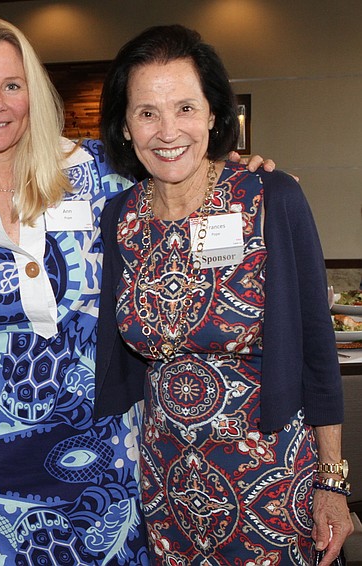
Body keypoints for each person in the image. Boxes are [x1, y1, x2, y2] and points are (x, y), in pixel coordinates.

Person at [0, 17, 274, 565]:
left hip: (111, 451)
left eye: (12, 85)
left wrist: (238, 174)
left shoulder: (98, 171)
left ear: (33, 92)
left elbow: (180, 174)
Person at [97, 25, 351, 564]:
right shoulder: (122, 218)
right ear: (124, 125)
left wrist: (332, 481)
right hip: (167, 480)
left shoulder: (269, 197)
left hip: (269, 476)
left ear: (213, 114)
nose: (168, 131)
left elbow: (316, 346)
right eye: (147, 113)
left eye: (185, 108)